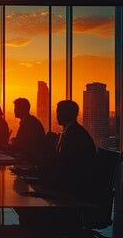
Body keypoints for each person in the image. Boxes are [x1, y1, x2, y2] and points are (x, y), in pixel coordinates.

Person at [17, 100, 97, 238]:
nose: (56, 115)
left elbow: (64, 169)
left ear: (66, 114)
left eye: (59, 112)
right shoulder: (73, 133)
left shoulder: (73, 137)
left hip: (71, 193)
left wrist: (40, 179)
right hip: (72, 188)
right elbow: (61, 166)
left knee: (25, 206)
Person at [8, 98, 46, 166]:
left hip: (29, 161)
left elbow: (23, 145)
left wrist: (13, 142)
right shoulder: (30, 121)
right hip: (31, 158)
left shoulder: (28, 123)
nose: (14, 110)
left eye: (16, 108)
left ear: (22, 109)